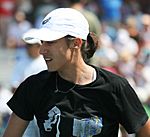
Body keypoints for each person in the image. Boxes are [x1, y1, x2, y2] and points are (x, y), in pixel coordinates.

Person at [2, 8, 150, 137]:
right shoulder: (33, 87)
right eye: (42, 42)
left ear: (76, 43)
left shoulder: (115, 87)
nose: (42, 50)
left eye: (50, 42)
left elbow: (144, 130)